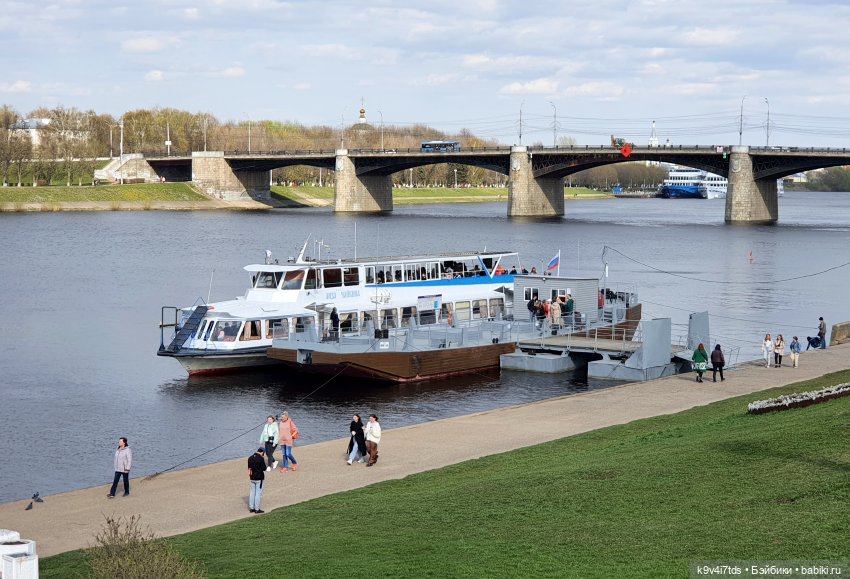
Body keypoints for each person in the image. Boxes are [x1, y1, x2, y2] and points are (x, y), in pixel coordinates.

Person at [248, 447, 266, 513]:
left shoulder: (250, 458)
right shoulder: (261, 458)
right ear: (262, 452)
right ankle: (257, 509)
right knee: (258, 493)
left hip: (252, 477)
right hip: (259, 478)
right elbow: (264, 468)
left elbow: (249, 468)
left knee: (252, 492)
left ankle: (251, 508)